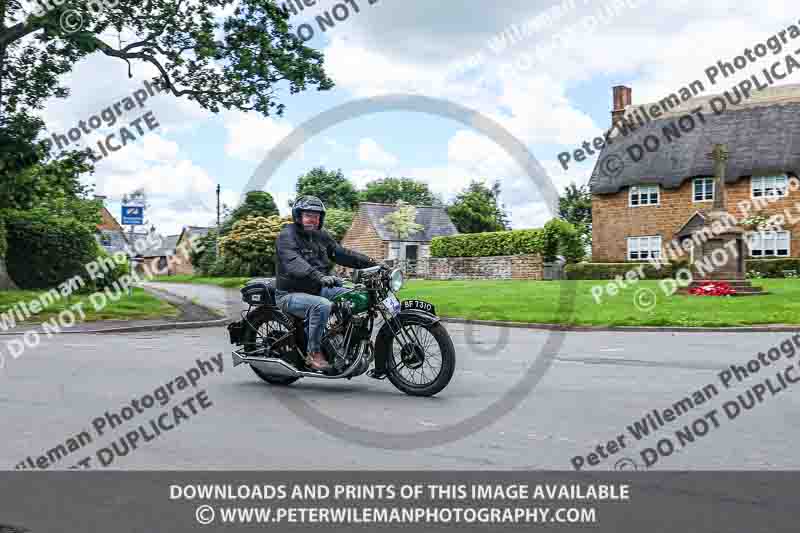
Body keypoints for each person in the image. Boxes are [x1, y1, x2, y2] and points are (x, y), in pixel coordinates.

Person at [275, 196, 377, 371]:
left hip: (316, 288)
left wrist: (373, 263)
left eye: (316, 216)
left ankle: (339, 340)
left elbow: (341, 253)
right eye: (308, 215)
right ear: (298, 216)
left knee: (353, 297)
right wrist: (319, 276)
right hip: (290, 293)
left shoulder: (320, 236)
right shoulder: (287, 236)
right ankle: (313, 353)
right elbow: (294, 262)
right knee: (321, 306)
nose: (312, 219)